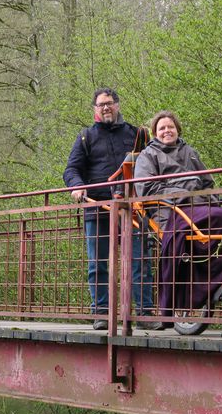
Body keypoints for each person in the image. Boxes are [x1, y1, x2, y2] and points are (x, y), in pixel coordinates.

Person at [134, 111, 222, 326]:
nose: (167, 131)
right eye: (162, 128)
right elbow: (146, 189)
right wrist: (186, 188)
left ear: (177, 129)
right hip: (170, 209)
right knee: (208, 222)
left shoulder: (190, 152)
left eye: (170, 127)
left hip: (200, 205)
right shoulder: (148, 156)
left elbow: (207, 183)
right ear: (155, 134)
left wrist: (212, 197)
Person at [63, 88, 159, 331]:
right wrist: (77, 187)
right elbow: (71, 169)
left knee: (140, 261)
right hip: (98, 207)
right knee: (98, 263)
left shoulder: (138, 134)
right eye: (101, 104)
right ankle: (101, 313)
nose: (106, 108)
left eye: (110, 103)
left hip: (133, 208)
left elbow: (154, 163)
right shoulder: (86, 136)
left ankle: (145, 312)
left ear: (118, 105)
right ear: (95, 109)